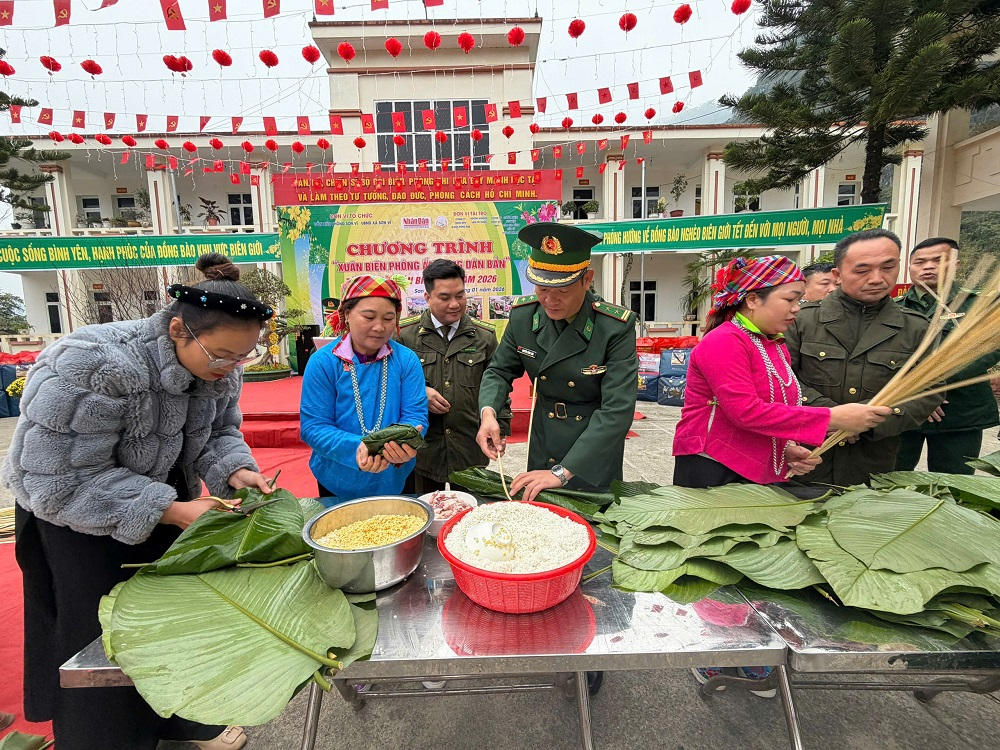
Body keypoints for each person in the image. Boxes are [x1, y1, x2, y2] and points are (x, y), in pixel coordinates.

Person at [5, 252, 277, 750]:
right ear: (177, 330)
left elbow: (219, 431)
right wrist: (171, 510)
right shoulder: (94, 362)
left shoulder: (220, 365)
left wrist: (233, 470)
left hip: (166, 498)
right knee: (102, 634)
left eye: (242, 358)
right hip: (76, 517)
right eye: (222, 356)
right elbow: (57, 480)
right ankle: (104, 737)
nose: (232, 368)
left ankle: (185, 724)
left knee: (174, 615)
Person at [673, 255, 890, 488]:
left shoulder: (772, 343)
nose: (797, 309)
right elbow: (746, 412)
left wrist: (785, 448)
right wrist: (832, 418)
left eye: (799, 300)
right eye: (790, 299)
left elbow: (778, 403)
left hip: (752, 461)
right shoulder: (724, 341)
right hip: (714, 464)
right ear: (753, 300)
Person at [476, 222, 639, 502]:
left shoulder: (614, 327)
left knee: (593, 530)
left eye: (562, 290)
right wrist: (488, 413)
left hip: (591, 450)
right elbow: (500, 371)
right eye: (541, 288)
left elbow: (616, 411)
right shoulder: (524, 317)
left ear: (587, 280)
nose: (549, 300)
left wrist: (563, 472)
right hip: (544, 442)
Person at [785, 229, 942, 487]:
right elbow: (780, 377)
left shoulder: (916, 328)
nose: (877, 278)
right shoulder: (802, 320)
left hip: (876, 460)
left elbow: (929, 389)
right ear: (838, 274)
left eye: (888, 267)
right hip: (807, 455)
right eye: (862, 270)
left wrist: (868, 422)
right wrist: (831, 415)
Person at [300, 274, 428, 501]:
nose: (379, 327)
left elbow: (415, 417)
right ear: (347, 314)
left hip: (395, 473)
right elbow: (314, 427)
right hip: (337, 478)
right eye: (368, 317)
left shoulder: (406, 360)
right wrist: (357, 447)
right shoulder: (323, 362)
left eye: (388, 318)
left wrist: (404, 444)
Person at [397, 259, 510, 494]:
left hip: (470, 448)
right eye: (445, 297)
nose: (454, 304)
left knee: (471, 519)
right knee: (424, 515)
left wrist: (500, 429)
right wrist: (419, 394)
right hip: (423, 452)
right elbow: (388, 385)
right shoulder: (406, 337)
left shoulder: (484, 337)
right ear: (427, 298)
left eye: (460, 295)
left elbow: (499, 385)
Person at [895, 237, 1000, 473]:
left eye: (938, 260)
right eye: (919, 262)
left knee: (953, 485)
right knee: (891, 481)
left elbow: (990, 349)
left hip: (959, 411)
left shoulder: (979, 305)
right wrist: (918, 394)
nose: (928, 267)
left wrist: (932, 387)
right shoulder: (893, 307)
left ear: (956, 264)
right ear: (909, 267)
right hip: (903, 410)